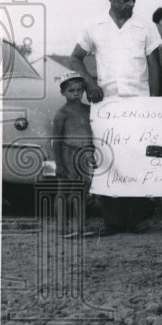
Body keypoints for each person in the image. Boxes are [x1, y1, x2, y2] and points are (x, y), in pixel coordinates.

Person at [69, 0, 160, 235]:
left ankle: (136, 219)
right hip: (106, 103)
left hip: (139, 103)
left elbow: (154, 65)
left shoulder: (145, 27)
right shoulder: (93, 26)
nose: (130, 4)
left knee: (137, 158)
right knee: (107, 159)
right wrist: (89, 83)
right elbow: (75, 58)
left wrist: (155, 103)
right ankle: (112, 221)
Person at [51, 72, 96, 237]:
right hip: (67, 154)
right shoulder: (61, 114)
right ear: (63, 92)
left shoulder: (88, 110)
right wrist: (59, 164)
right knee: (63, 192)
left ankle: (81, 227)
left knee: (81, 192)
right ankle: (62, 228)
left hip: (84, 156)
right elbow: (56, 140)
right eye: (71, 90)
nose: (76, 93)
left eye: (79, 90)